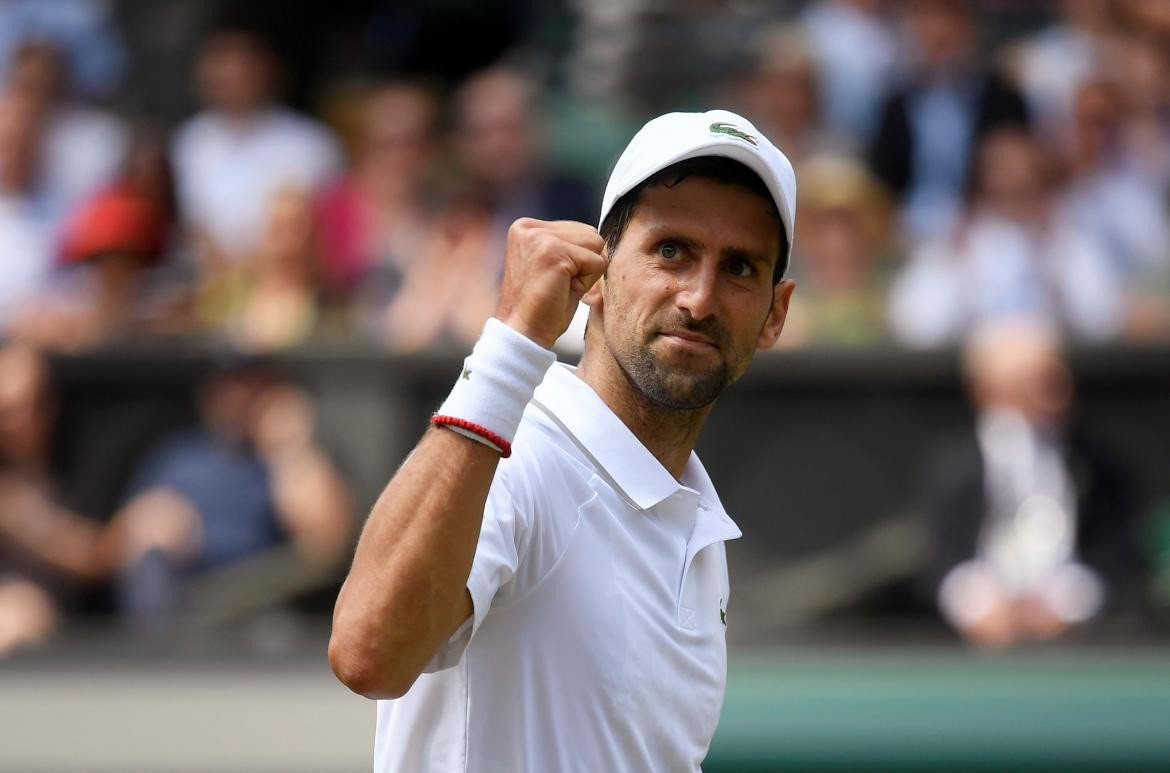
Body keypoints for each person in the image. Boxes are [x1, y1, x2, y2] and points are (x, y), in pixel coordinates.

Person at [328, 109, 797, 771]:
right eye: (671, 250)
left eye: (741, 268)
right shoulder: (519, 458)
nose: (699, 297)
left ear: (775, 314)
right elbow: (368, 652)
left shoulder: (697, 531)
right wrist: (510, 341)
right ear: (598, 271)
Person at [916, 319, 1140, 649]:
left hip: (1077, 648)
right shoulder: (953, 462)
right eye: (1039, 382)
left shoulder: (1095, 460)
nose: (1058, 393)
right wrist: (976, 604)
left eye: (1059, 377)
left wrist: (1069, 601)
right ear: (989, 390)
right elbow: (935, 552)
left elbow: (1115, 548)